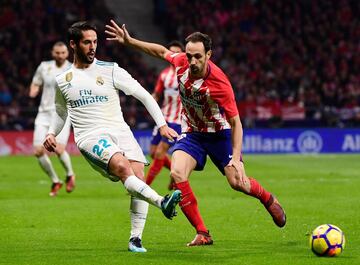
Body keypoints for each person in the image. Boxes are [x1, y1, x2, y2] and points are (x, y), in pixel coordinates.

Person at [105, 20, 286, 246]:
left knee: (237, 183)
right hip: (192, 133)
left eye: (197, 56)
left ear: (209, 54)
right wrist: (130, 41)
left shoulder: (220, 83)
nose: (192, 61)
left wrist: (237, 157)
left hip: (219, 135)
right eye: (189, 55)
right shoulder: (181, 62)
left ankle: (268, 199)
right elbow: (160, 51)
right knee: (178, 174)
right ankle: (203, 233)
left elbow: (236, 122)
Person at [43, 21, 181, 253]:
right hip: (90, 136)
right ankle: (161, 202)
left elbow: (145, 96)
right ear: (73, 44)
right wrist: (51, 133)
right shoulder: (63, 79)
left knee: (138, 176)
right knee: (122, 167)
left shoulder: (111, 69)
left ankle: (135, 239)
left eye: (95, 42)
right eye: (87, 42)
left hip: (120, 130)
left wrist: (163, 124)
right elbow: (60, 112)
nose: (92, 46)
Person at [29, 41, 76, 197]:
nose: (60, 55)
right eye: (57, 53)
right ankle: (56, 180)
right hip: (43, 113)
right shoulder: (44, 66)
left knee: (58, 149)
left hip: (62, 113)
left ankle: (70, 174)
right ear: (52, 53)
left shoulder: (72, 68)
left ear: (67, 53)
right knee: (38, 151)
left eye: (63, 53)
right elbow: (36, 82)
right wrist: (33, 91)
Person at [146, 41, 184, 189]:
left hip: (177, 121)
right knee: (153, 153)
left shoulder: (185, 74)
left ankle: (144, 187)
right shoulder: (164, 75)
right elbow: (157, 93)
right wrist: (149, 99)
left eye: (177, 53)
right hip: (163, 119)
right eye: (171, 52)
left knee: (161, 152)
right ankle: (175, 174)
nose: (173, 56)